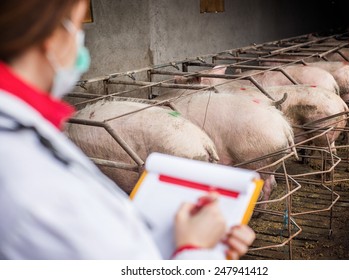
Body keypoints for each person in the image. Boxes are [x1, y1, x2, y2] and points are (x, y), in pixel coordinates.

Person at [0, 0, 255, 259]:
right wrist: (195, 249)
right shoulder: (31, 177)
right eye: (78, 26)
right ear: (52, 36)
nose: (80, 43)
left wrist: (201, 245)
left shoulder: (26, 134)